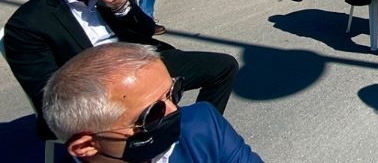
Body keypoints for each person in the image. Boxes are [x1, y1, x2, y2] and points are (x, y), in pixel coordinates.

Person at [4, 0, 238, 141]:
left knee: (223, 66)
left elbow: (146, 31)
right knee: (148, 109)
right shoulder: (28, 23)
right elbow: (47, 94)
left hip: (140, 64)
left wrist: (122, 7)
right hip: (96, 90)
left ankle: (197, 134)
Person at [42, 43, 263, 163]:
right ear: (86, 146)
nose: (175, 110)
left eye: (173, 93)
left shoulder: (203, 125)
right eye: (152, 113)